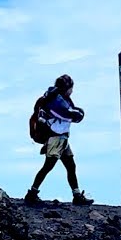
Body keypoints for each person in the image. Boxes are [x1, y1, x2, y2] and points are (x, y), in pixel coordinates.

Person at [25, 74, 94, 206]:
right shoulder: (56, 101)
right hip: (56, 138)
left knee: (70, 166)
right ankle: (32, 194)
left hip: (61, 138)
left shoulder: (56, 98)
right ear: (67, 88)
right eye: (71, 88)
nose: (72, 91)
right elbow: (71, 115)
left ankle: (77, 195)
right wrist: (80, 113)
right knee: (48, 166)